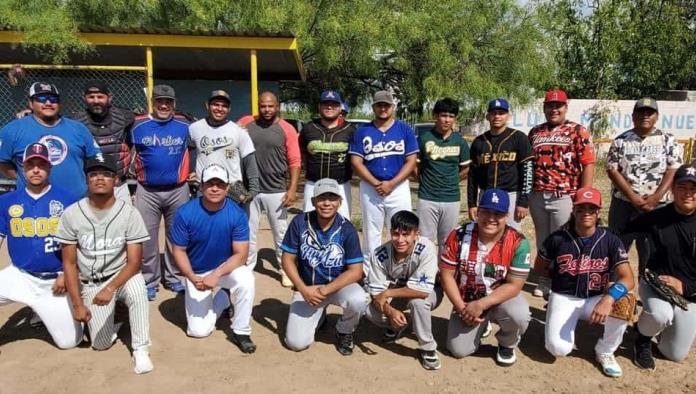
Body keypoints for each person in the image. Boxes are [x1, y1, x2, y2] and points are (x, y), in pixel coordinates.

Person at [56, 155, 153, 374]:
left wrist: (110, 288)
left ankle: (141, 348)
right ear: (86, 179)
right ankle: (116, 319)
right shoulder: (72, 214)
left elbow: (135, 262)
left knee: (138, 289)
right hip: (92, 283)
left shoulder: (129, 212)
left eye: (107, 175)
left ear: (116, 180)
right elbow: (69, 264)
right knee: (100, 344)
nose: (100, 179)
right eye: (94, 174)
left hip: (121, 276)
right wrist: (78, 304)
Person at [536, 186, 635, 378]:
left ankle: (605, 351)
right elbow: (539, 267)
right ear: (573, 210)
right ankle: (554, 312)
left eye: (591, 209)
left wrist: (608, 299)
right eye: (581, 208)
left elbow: (628, 279)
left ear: (598, 212)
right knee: (558, 349)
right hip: (564, 296)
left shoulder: (610, 239)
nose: (586, 213)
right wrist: (558, 280)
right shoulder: (558, 238)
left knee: (624, 301)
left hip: (596, 298)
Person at [0, 143, 83, 350]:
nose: (36, 170)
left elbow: (80, 245)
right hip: (20, 275)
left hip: (56, 282)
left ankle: (44, 311)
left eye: (41, 165)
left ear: (50, 168)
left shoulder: (68, 200)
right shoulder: (7, 201)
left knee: (69, 342)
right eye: (30, 165)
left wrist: (66, 273)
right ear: (22, 168)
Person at [169, 164, 256, 353]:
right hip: (197, 272)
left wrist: (216, 276)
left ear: (227, 187)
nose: (215, 188)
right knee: (199, 331)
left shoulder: (237, 214)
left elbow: (241, 255)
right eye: (210, 184)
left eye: (220, 184)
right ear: (201, 186)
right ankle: (223, 298)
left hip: (226, 269)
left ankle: (241, 330)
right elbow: (178, 251)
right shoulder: (185, 213)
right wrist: (192, 277)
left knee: (247, 280)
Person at [440, 188, 531, 367]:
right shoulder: (458, 235)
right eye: (486, 211)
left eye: (497, 214)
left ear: (507, 216)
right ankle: (482, 324)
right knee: (458, 350)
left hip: (500, 298)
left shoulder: (519, 242)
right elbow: (446, 275)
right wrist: (462, 309)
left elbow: (514, 285)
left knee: (519, 315)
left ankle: (507, 342)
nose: (491, 218)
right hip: (466, 299)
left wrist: (481, 305)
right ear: (477, 212)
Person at [280, 178, 368, 355]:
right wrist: (303, 289)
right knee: (296, 343)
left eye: (332, 198)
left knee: (359, 299)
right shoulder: (299, 222)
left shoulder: (347, 229)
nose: (327, 203)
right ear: (313, 201)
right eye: (321, 198)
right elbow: (287, 259)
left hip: (337, 286)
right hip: (308, 288)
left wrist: (325, 291)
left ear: (339, 202)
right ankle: (319, 317)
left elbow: (356, 271)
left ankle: (344, 330)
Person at [626, 163, 696, 370]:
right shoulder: (658, 216)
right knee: (660, 315)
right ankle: (643, 338)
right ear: (672, 189)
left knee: (674, 354)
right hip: (657, 284)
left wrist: (687, 288)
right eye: (682, 187)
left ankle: (653, 328)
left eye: (693, 189)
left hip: (690, 294)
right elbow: (623, 232)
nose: (688, 193)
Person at [528, 89, 596, 297]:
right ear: (544, 108)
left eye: (558, 106)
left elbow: (588, 164)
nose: (554, 109)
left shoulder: (578, 131)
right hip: (538, 195)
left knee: (564, 240)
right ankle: (545, 279)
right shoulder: (535, 132)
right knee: (543, 240)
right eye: (550, 105)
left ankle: (563, 280)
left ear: (566, 107)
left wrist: (582, 197)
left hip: (565, 195)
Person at [607, 98, 682, 276]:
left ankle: (649, 292)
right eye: (640, 112)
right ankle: (617, 292)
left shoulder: (667, 140)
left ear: (656, 116)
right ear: (633, 116)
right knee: (617, 247)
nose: (645, 116)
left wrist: (655, 198)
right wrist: (633, 197)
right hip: (624, 204)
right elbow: (612, 169)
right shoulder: (621, 140)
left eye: (650, 112)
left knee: (651, 250)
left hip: (657, 206)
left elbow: (673, 169)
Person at [131, 84, 192, 300]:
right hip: (147, 189)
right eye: (159, 101)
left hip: (178, 188)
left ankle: (175, 277)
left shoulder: (185, 124)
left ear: (174, 104)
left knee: (176, 236)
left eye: (168, 102)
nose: (164, 105)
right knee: (146, 237)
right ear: (153, 102)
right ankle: (149, 280)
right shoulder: (137, 125)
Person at [238, 91, 301, 287]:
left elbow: (295, 161)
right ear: (258, 106)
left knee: (281, 233)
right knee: (248, 232)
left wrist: (292, 189)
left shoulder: (286, 129)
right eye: (263, 106)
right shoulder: (246, 122)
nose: (266, 109)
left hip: (276, 190)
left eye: (270, 106)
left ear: (277, 106)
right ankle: (247, 269)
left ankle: (285, 270)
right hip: (251, 189)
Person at [365, 210, 442, 370]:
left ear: (416, 234)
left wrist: (387, 294)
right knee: (369, 311)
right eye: (395, 234)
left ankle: (428, 348)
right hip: (399, 292)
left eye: (406, 234)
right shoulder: (380, 254)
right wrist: (390, 311)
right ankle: (397, 326)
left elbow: (422, 291)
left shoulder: (426, 247)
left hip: (429, 291)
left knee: (417, 304)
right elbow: (376, 294)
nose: (400, 240)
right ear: (390, 232)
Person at [349, 91, 418, 263]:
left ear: (392, 107)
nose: (383, 108)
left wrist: (392, 184)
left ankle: (401, 267)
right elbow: (356, 162)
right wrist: (375, 183)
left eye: (386, 105)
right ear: (373, 107)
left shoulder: (404, 129)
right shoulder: (362, 131)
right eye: (379, 105)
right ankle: (371, 269)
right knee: (371, 231)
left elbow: (411, 161)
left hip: (399, 186)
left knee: (402, 229)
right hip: (370, 187)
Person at [0, 82, 103, 197]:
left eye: (53, 99)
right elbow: (2, 161)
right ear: (31, 103)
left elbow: (95, 159)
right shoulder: (13, 129)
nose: (48, 103)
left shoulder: (79, 129)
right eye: (41, 98)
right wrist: (22, 176)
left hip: (75, 201)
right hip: (33, 202)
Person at [468, 98, 533, 231]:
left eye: (501, 113)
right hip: (486, 194)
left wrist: (523, 202)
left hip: (511, 194)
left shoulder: (519, 138)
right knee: (486, 233)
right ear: (487, 116)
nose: (497, 116)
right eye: (493, 113)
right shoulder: (479, 141)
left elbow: (528, 172)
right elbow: (472, 176)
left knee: (511, 236)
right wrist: (472, 203)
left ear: (508, 116)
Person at [415, 98, 470, 252]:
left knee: (448, 240)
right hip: (427, 197)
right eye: (443, 115)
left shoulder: (460, 141)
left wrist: (451, 181)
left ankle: (444, 274)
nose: (447, 120)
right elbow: (415, 166)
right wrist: (425, 181)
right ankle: (426, 274)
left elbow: (465, 169)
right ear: (435, 115)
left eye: (451, 116)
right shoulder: (424, 139)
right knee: (425, 240)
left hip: (451, 197)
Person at [188, 90, 259, 205]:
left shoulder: (238, 131)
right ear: (207, 105)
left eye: (224, 106)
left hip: (232, 190)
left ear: (229, 109)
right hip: (205, 189)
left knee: (231, 222)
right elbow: (188, 152)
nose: (220, 109)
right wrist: (190, 170)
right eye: (216, 104)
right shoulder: (194, 128)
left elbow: (249, 159)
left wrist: (254, 189)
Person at [73, 80, 135, 204]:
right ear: (84, 98)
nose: (96, 101)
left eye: (100, 96)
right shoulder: (75, 122)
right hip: (90, 185)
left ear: (109, 97)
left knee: (124, 221)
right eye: (91, 97)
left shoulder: (125, 117)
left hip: (119, 184)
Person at [299, 90, 355, 219]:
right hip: (313, 183)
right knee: (308, 222)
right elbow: (301, 154)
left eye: (334, 104)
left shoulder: (351, 130)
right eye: (325, 104)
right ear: (319, 107)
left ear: (340, 108)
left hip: (341, 184)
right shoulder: (309, 128)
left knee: (343, 222)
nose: (329, 107)